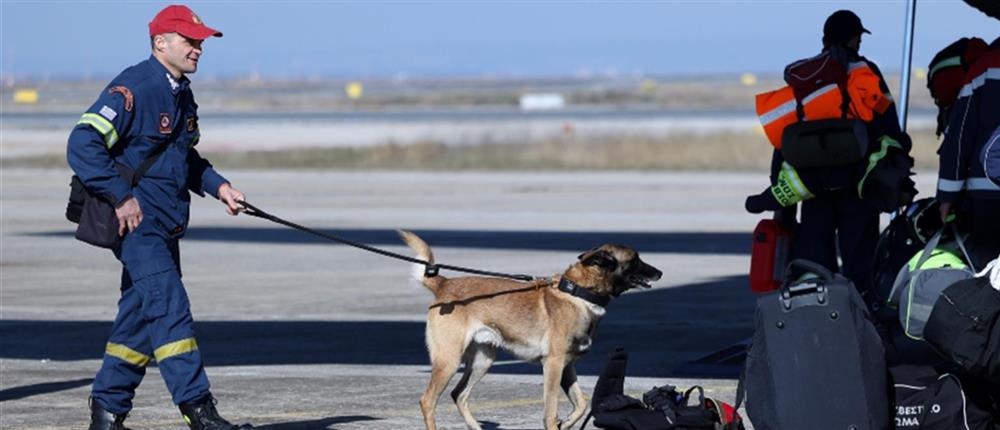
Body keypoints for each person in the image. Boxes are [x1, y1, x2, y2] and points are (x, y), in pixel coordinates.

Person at [67, 5, 253, 430]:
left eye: (201, 42)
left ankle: (107, 411)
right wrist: (120, 197)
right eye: (191, 41)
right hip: (138, 226)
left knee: (138, 320)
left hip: (166, 225)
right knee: (170, 308)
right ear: (161, 42)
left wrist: (220, 187)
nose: (199, 49)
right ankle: (199, 410)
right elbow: (82, 143)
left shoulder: (181, 93)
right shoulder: (135, 87)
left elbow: (183, 159)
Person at [745, 10, 913, 296]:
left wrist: (782, 206)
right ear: (854, 38)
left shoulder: (808, 78)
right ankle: (862, 327)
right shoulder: (866, 72)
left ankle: (816, 327)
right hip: (858, 189)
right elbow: (890, 129)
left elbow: (785, 142)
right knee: (860, 269)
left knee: (814, 270)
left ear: (824, 38)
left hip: (814, 189)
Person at [937, 37, 1000, 270]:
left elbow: (960, 136)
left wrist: (947, 195)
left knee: (986, 275)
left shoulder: (984, 67)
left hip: (986, 192)